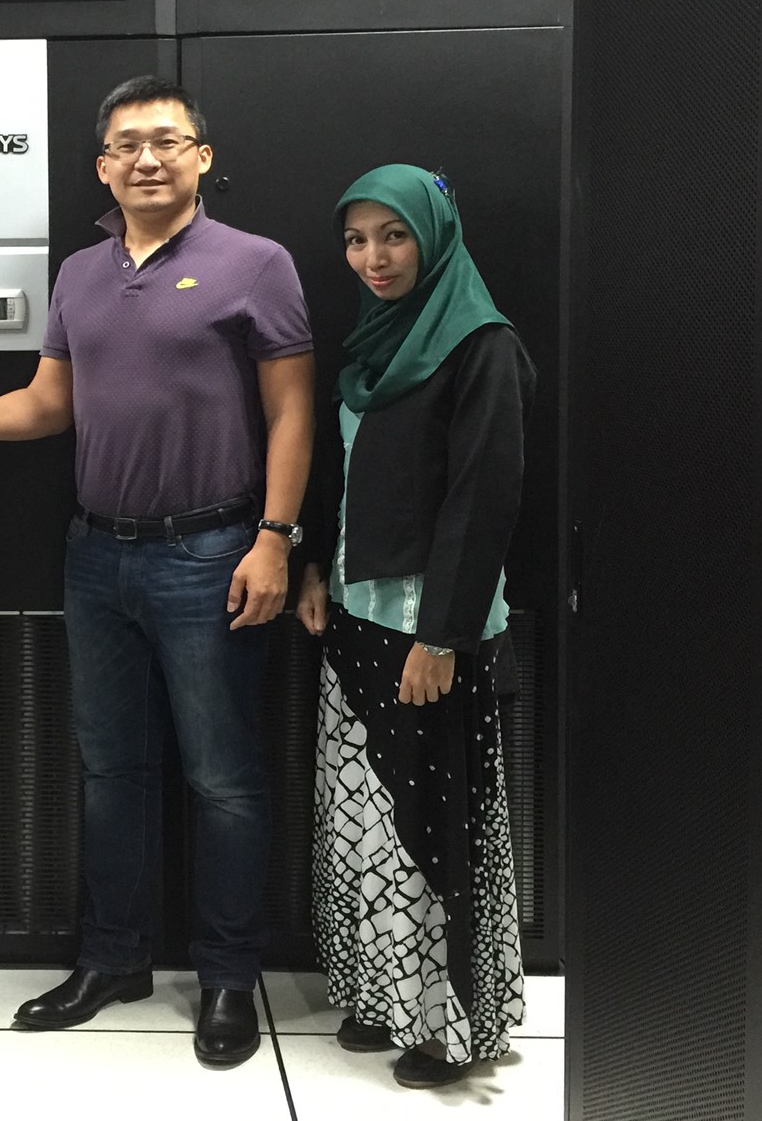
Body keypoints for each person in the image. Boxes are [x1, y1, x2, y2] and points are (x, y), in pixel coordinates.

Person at [0, 76, 316, 1067]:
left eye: (166, 140)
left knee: (223, 777)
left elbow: (292, 410)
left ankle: (226, 976)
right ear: (102, 166)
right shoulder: (79, 272)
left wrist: (275, 538)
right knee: (111, 770)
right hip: (96, 554)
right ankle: (113, 958)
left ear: (201, 156)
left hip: (213, 552)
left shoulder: (257, 263)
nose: (147, 159)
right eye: (126, 145)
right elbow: (48, 402)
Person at [294, 164, 532, 1089]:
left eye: (393, 235)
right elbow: (345, 473)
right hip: (357, 616)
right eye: (356, 240)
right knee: (365, 816)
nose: (374, 257)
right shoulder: (373, 342)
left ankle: (446, 1026)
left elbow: (482, 501)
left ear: (433, 236)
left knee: (433, 824)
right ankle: (384, 993)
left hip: (428, 632)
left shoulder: (480, 344)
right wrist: (316, 566)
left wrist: (441, 637)